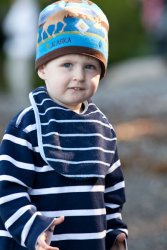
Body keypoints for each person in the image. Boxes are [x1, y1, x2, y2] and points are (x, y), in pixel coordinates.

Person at [0, 1, 128, 250]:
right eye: (67, 64)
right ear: (43, 68)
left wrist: (114, 234)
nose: (79, 75)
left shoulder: (103, 130)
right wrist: (32, 229)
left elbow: (112, 195)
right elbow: (8, 190)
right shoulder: (26, 126)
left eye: (90, 66)